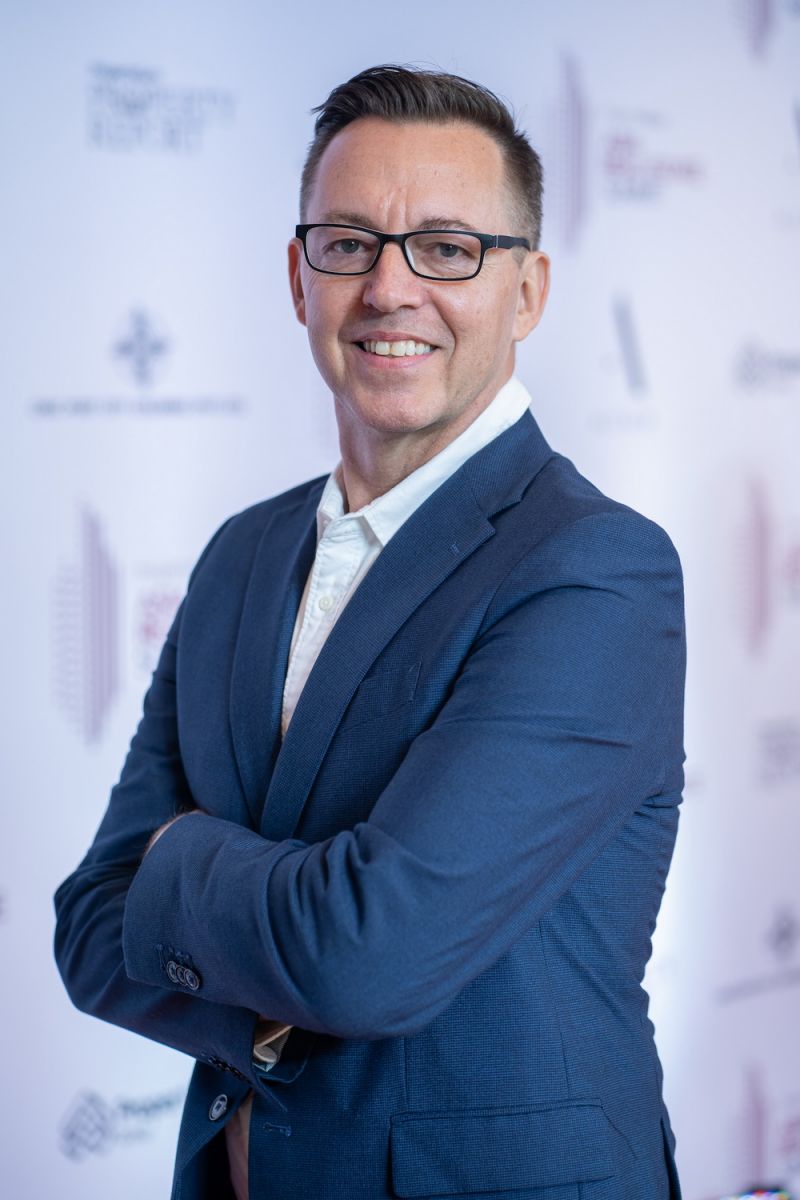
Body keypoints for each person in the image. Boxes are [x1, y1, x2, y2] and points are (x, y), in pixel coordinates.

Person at [54, 64, 686, 1200]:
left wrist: (177, 865)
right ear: (299, 278)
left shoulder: (593, 569)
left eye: (447, 248)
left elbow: (368, 953)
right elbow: (92, 930)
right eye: (349, 244)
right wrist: (281, 985)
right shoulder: (241, 555)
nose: (391, 287)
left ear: (527, 291)